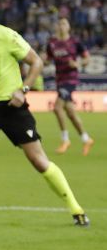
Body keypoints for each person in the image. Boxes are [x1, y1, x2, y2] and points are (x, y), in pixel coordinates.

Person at [0, 0, 89, 227]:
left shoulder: (7, 36)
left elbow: (37, 63)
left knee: (39, 161)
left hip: (12, 107)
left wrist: (23, 89)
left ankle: (76, 209)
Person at [47, 17, 93, 155]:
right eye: (59, 24)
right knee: (71, 113)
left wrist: (77, 64)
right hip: (59, 80)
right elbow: (47, 59)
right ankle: (86, 139)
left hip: (70, 80)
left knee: (57, 107)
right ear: (56, 27)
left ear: (68, 27)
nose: (61, 26)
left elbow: (87, 59)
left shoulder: (75, 42)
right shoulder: (52, 43)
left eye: (64, 24)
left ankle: (65, 140)